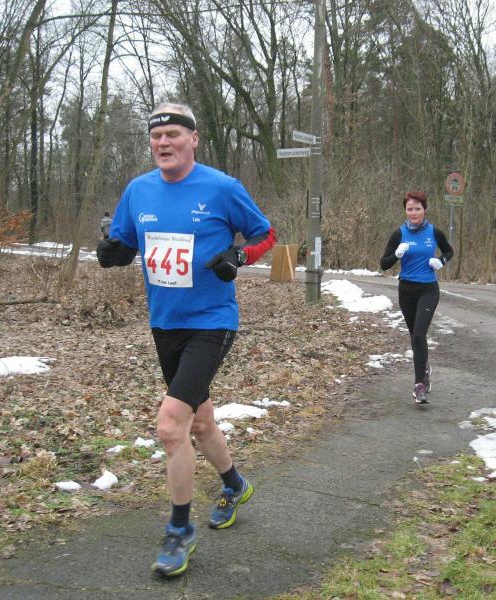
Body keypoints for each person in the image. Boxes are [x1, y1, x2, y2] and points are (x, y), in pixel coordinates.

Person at [96, 102, 276, 577]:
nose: (164, 142)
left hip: (212, 321)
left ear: (193, 139)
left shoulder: (222, 188)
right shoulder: (138, 190)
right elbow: (126, 242)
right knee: (200, 421)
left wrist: (240, 256)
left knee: (171, 426)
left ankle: (179, 530)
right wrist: (112, 253)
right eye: (157, 136)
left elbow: (265, 234)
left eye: (173, 134)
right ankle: (234, 484)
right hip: (165, 323)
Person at [380, 191, 453, 405]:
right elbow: (384, 264)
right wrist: (397, 255)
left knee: (420, 334)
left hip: (428, 289)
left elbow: (449, 251)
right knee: (415, 337)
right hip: (406, 290)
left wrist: (441, 261)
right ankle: (424, 370)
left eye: (417, 209)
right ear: (405, 211)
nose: (413, 213)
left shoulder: (434, 232)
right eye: (409, 209)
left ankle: (419, 385)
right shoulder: (399, 234)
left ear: (424, 210)